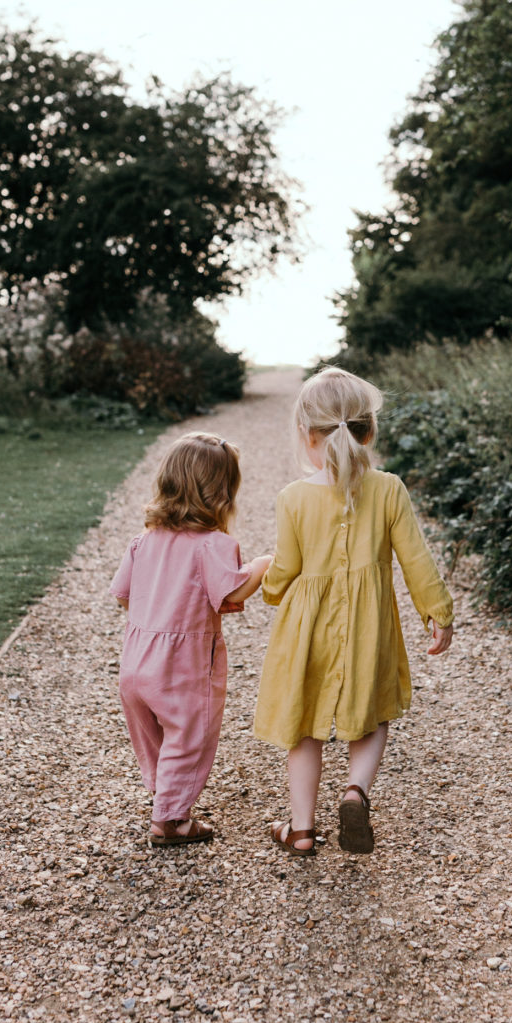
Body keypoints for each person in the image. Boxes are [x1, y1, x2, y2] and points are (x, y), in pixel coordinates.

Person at [254, 366, 454, 856]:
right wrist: (437, 611)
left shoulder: (294, 498)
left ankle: (301, 829)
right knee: (372, 708)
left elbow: (286, 567)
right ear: (369, 431)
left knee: (304, 725)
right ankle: (355, 791)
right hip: (370, 626)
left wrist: (269, 590)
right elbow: (415, 559)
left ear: (307, 435)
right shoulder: (388, 489)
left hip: (308, 628)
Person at [110, 432, 272, 847]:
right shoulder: (215, 545)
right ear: (223, 492)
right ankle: (171, 820)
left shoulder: (143, 542)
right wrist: (262, 564)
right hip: (184, 663)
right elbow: (232, 592)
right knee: (189, 735)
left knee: (153, 735)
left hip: (135, 662)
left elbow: (123, 596)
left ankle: (164, 795)